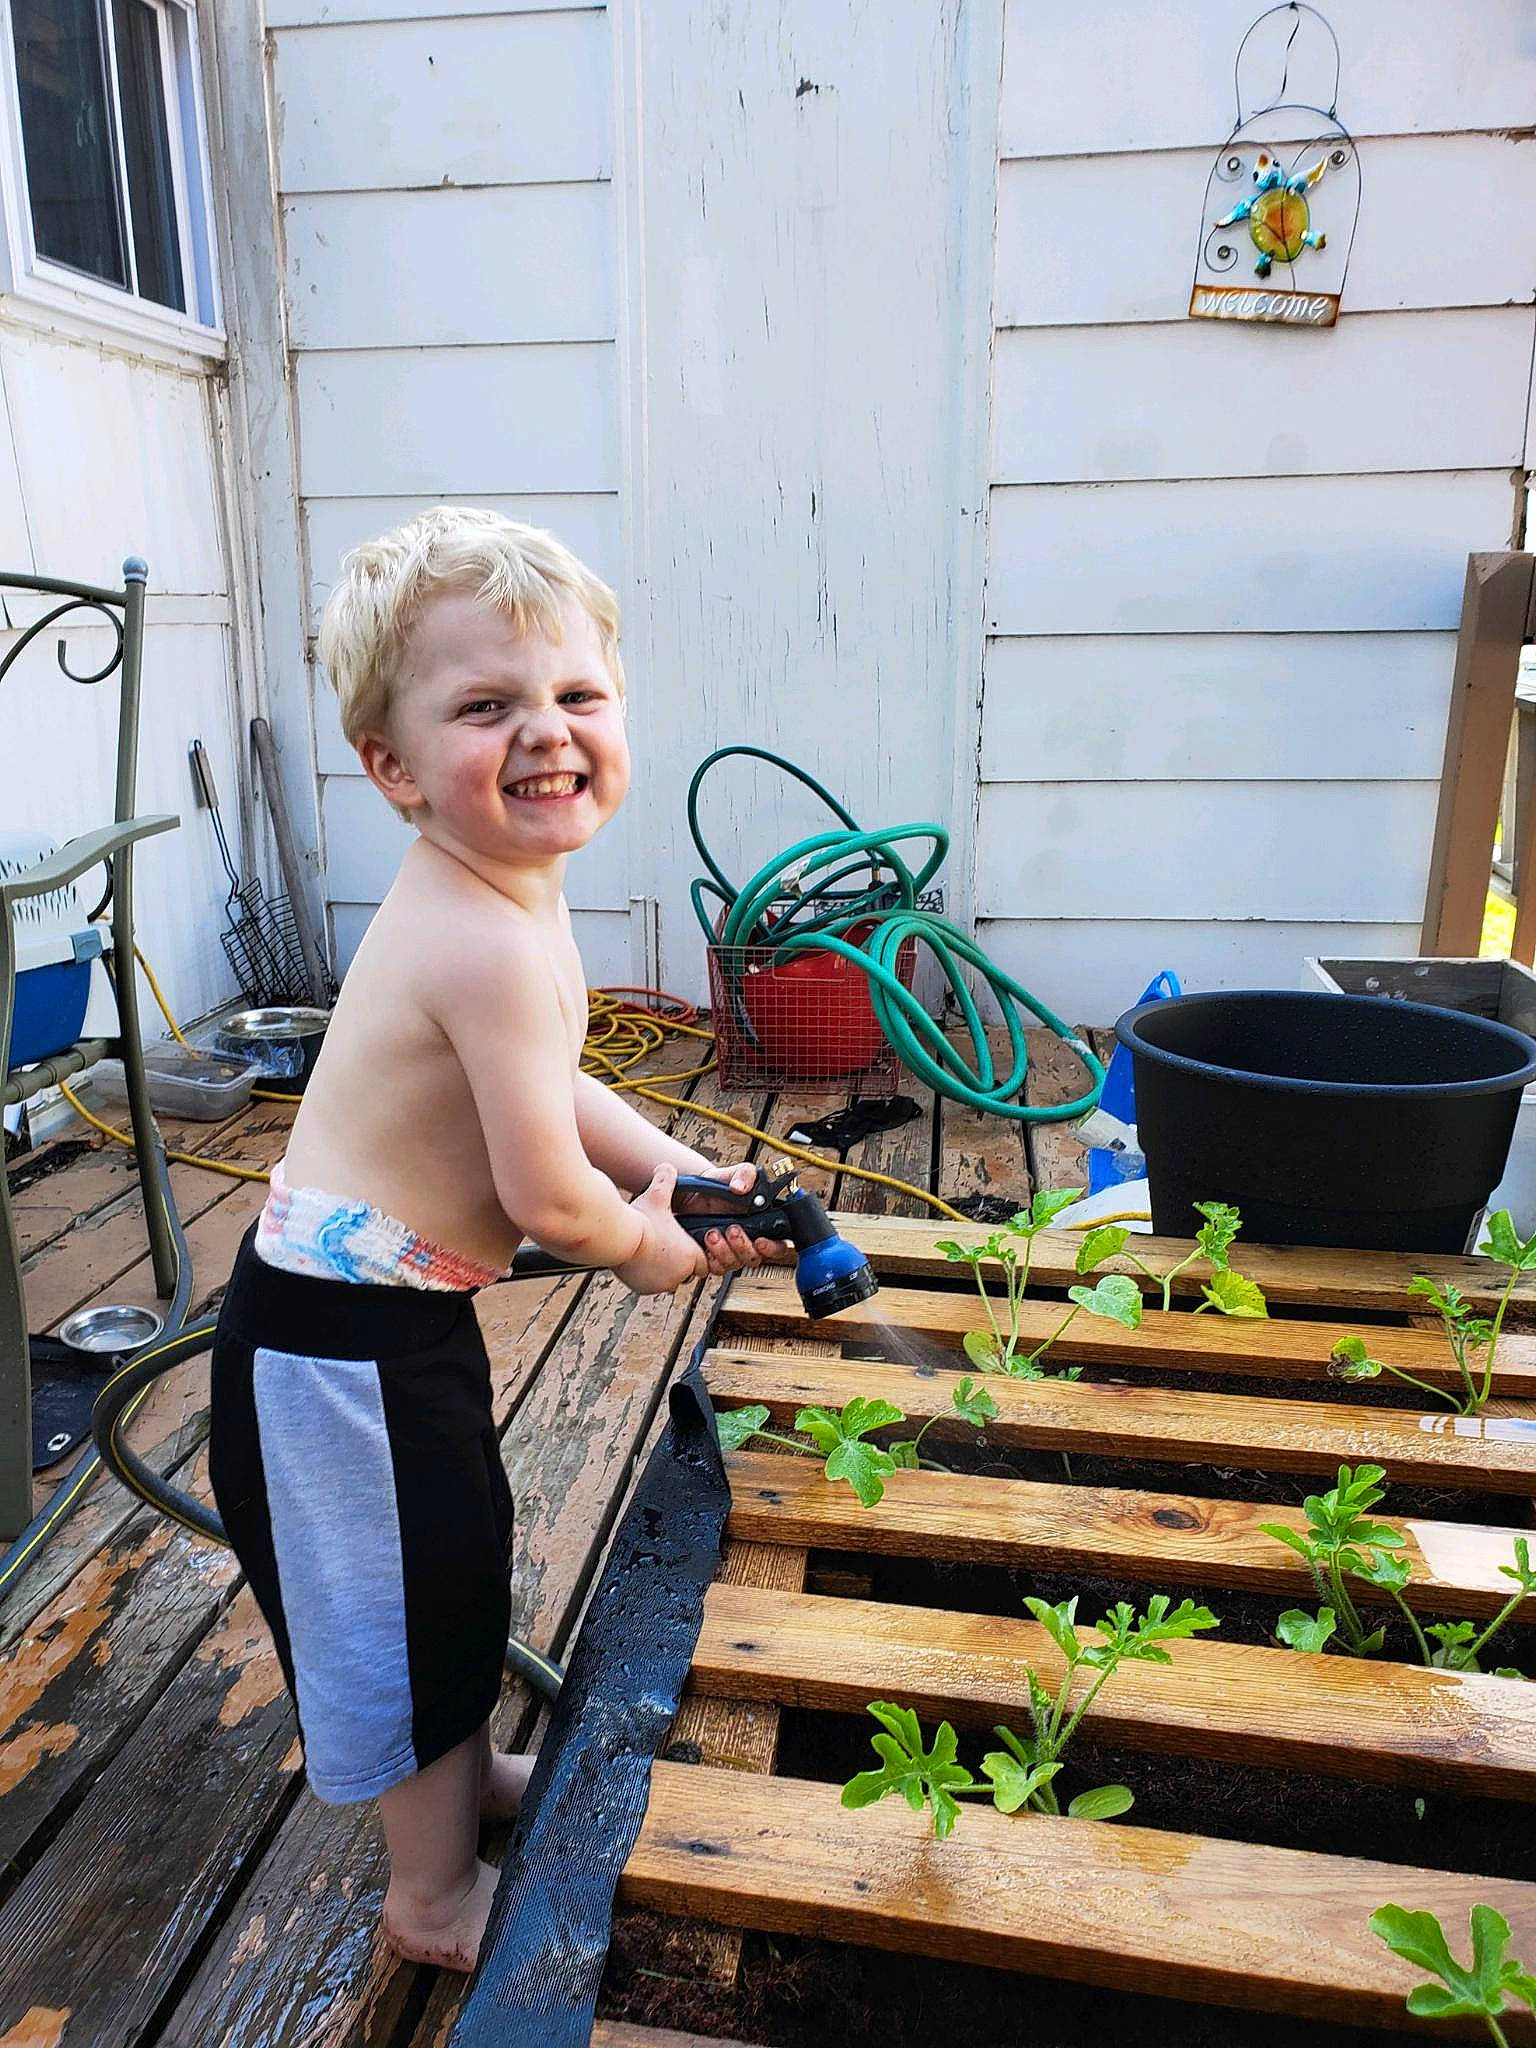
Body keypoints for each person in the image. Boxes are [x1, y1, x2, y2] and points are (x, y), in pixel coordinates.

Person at [208, 508, 785, 1972]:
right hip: (337, 1358)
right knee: (398, 1617)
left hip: (385, 1327)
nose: (547, 733)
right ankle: (429, 1896)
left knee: (451, 1574)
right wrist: (651, 1245)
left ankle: (469, 1789)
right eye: (487, 708)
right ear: (395, 770)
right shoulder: (483, 932)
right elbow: (545, 1200)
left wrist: (673, 1163)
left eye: (577, 695)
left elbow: (555, 1086)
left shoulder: (501, 893)